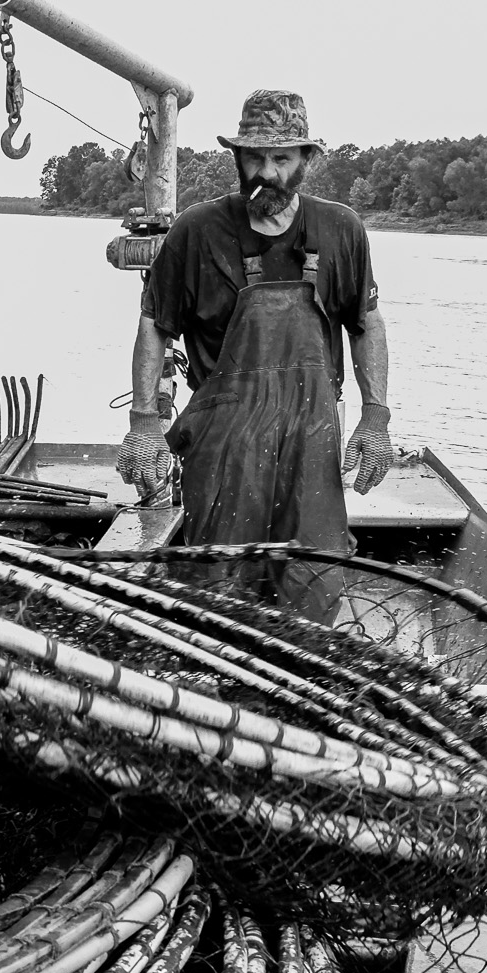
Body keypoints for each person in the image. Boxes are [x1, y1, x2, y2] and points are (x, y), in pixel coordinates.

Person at [118, 89, 393, 623]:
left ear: (306, 160)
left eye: (282, 158)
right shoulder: (197, 230)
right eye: (254, 158)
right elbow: (155, 326)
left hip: (312, 440)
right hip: (225, 446)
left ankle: (301, 663)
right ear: (238, 158)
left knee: (314, 580)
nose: (267, 172)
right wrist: (144, 424)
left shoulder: (341, 230)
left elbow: (367, 324)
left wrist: (375, 418)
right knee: (216, 588)